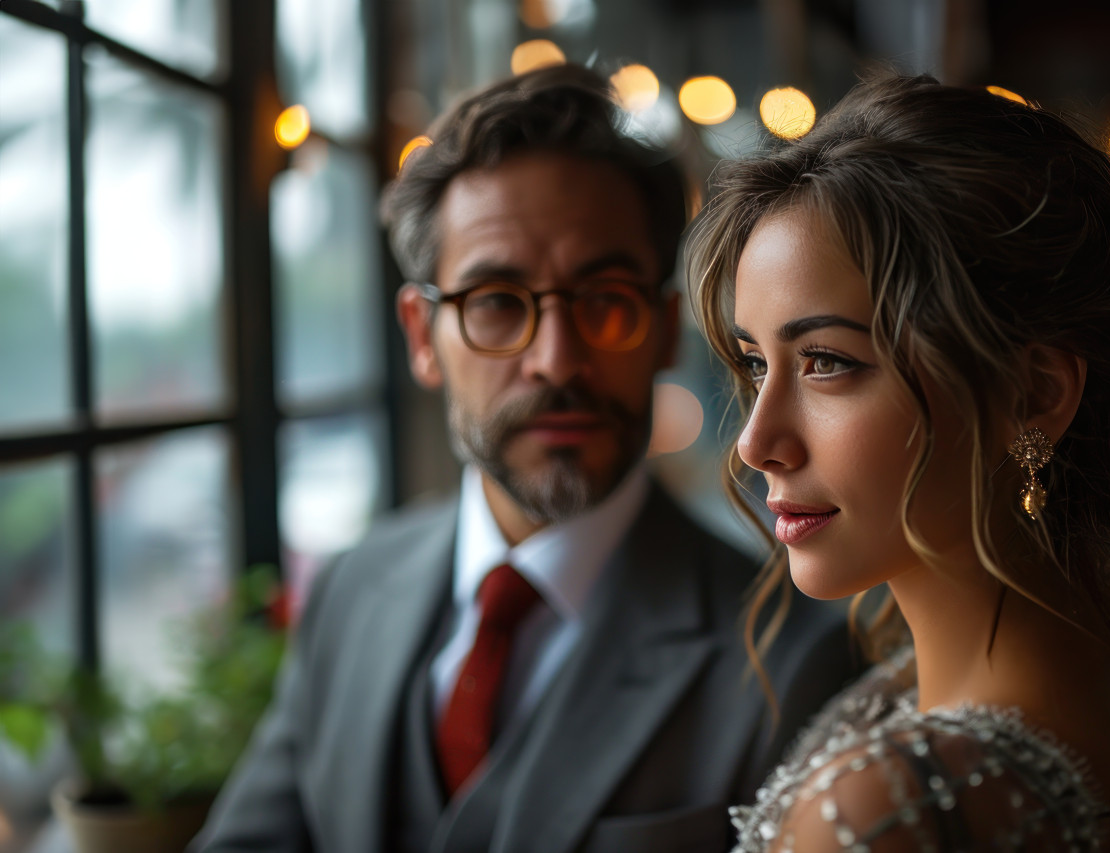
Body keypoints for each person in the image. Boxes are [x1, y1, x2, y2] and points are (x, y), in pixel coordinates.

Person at [193, 64, 858, 853]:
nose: (557, 359)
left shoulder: (796, 657)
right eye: (498, 303)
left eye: (605, 299)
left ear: (662, 326)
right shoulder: (351, 586)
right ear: (420, 338)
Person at [687, 72, 1110, 851]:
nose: (756, 441)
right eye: (758, 363)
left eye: (827, 361)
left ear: (1033, 394)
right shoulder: (1078, 660)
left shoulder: (892, 806)